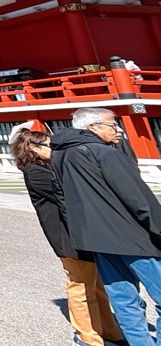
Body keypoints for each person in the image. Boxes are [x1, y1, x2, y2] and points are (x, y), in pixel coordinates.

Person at [52, 107, 161, 345]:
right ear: (92, 127)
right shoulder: (104, 153)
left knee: (124, 301)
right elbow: (137, 198)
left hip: (96, 240)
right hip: (132, 237)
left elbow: (62, 199)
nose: (118, 129)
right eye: (112, 125)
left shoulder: (60, 155)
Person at [10, 128, 122, 346]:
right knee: (80, 287)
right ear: (33, 148)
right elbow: (68, 193)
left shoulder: (49, 167)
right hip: (66, 237)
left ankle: (109, 331)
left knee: (96, 286)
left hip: (84, 234)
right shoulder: (35, 172)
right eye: (49, 145)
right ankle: (86, 336)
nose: (53, 149)